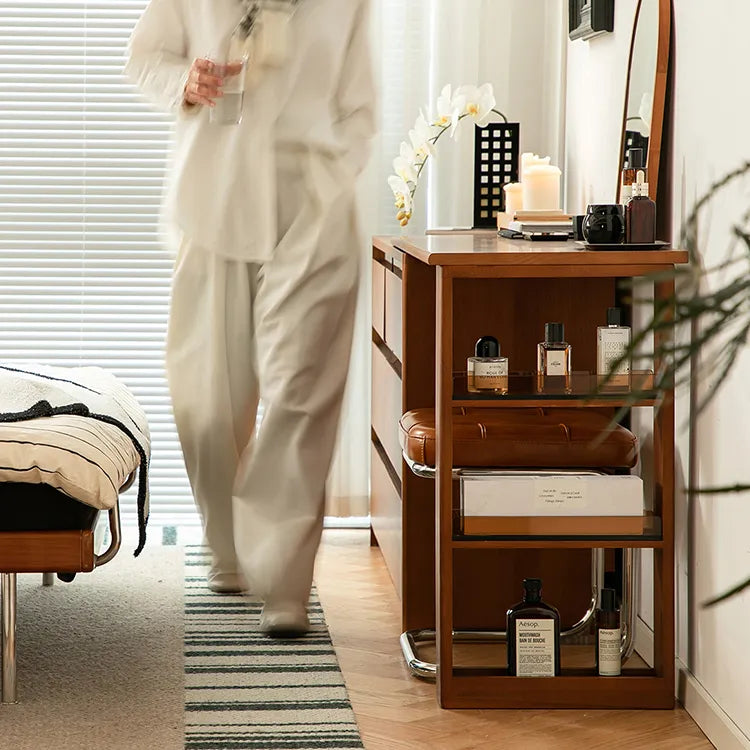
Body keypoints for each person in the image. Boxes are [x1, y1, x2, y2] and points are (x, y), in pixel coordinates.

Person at [125, 0, 375, 635]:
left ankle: (286, 580)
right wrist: (183, 81)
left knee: (301, 394)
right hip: (214, 195)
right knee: (206, 398)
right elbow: (144, 58)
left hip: (312, 205)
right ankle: (231, 546)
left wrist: (330, 177)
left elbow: (360, 106)